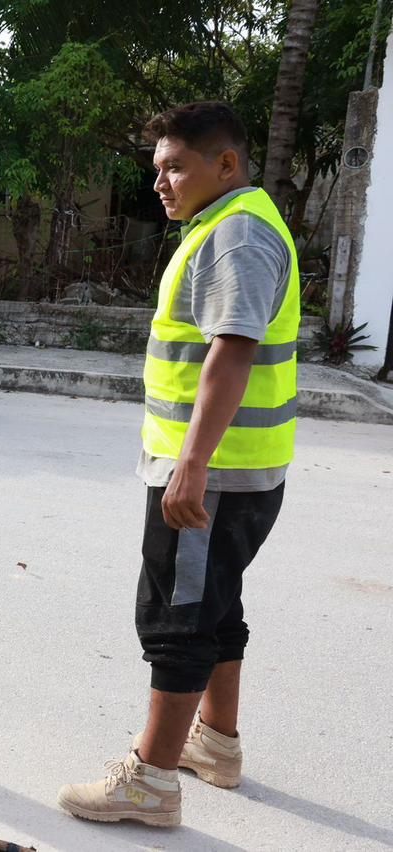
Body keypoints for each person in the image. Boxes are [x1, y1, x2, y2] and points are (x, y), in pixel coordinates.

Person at [58, 101, 299, 826]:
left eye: (175, 167)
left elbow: (233, 349)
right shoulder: (225, 226)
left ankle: (152, 781)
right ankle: (216, 744)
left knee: (177, 618)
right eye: (156, 168)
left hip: (213, 475)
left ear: (225, 164)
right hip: (236, 469)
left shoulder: (237, 237)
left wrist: (191, 465)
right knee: (214, 606)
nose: (160, 182)